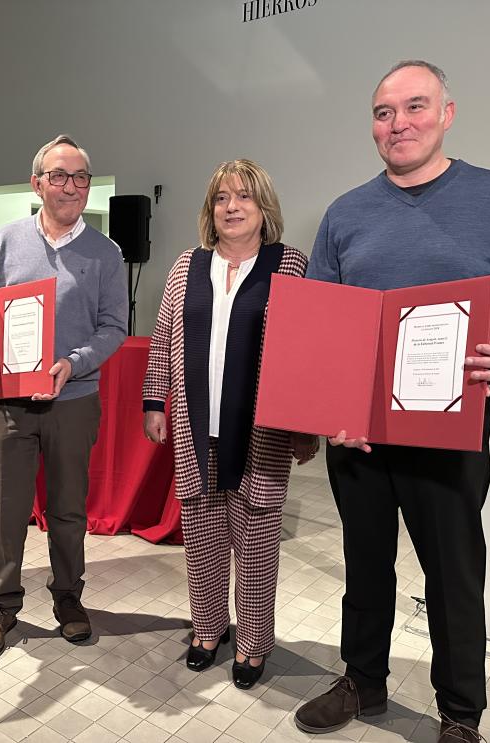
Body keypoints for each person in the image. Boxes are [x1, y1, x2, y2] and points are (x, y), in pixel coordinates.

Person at [293, 61, 490, 742]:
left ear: (447, 113)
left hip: (451, 423)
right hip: (360, 431)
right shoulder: (346, 213)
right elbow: (321, 321)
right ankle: (363, 681)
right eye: (384, 112)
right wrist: (328, 410)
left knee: (454, 571)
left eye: (414, 107)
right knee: (365, 561)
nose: (398, 123)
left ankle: (460, 713)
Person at [0, 134, 127, 658]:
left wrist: (74, 363)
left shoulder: (106, 253)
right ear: (37, 182)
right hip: (10, 404)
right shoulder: (6, 241)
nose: (70, 186)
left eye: (79, 178)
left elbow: (115, 327)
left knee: (69, 509)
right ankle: (2, 605)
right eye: (58, 175)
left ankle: (69, 598)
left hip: (74, 400)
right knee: (5, 508)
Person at [142, 159, 318, 690]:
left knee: (257, 539)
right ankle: (207, 628)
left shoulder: (289, 265)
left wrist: (307, 423)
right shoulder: (186, 266)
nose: (232, 207)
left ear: (264, 208)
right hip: (198, 430)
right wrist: (155, 400)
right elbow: (162, 336)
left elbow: (306, 351)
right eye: (222, 198)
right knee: (201, 537)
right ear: (210, 209)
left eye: (244, 197)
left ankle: (253, 642)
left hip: (261, 432)